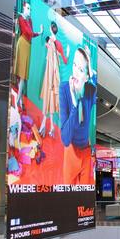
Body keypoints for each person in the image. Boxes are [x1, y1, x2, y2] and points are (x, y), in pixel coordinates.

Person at [59, 46, 96, 185]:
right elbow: (65, 139)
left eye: (81, 70)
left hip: (86, 151)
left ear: (87, 76)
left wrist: (90, 63)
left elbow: (94, 79)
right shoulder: (64, 88)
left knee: (84, 198)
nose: (75, 72)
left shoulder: (90, 91)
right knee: (68, 196)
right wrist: (74, 106)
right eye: (74, 65)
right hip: (72, 152)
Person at [39, 21, 70, 139]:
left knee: (50, 95)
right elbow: (65, 60)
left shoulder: (52, 42)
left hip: (52, 73)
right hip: (52, 73)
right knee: (50, 96)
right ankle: (49, 125)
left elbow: (56, 60)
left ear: (50, 28)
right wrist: (67, 52)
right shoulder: (55, 43)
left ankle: (46, 125)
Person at [13, 0, 43, 111]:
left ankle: (20, 101)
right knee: (21, 75)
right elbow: (28, 32)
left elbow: (32, 34)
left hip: (28, 46)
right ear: (24, 8)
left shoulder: (28, 19)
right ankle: (17, 101)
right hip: (23, 44)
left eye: (30, 8)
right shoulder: (21, 18)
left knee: (23, 76)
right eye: (28, 8)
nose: (30, 10)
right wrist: (34, 31)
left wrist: (40, 33)